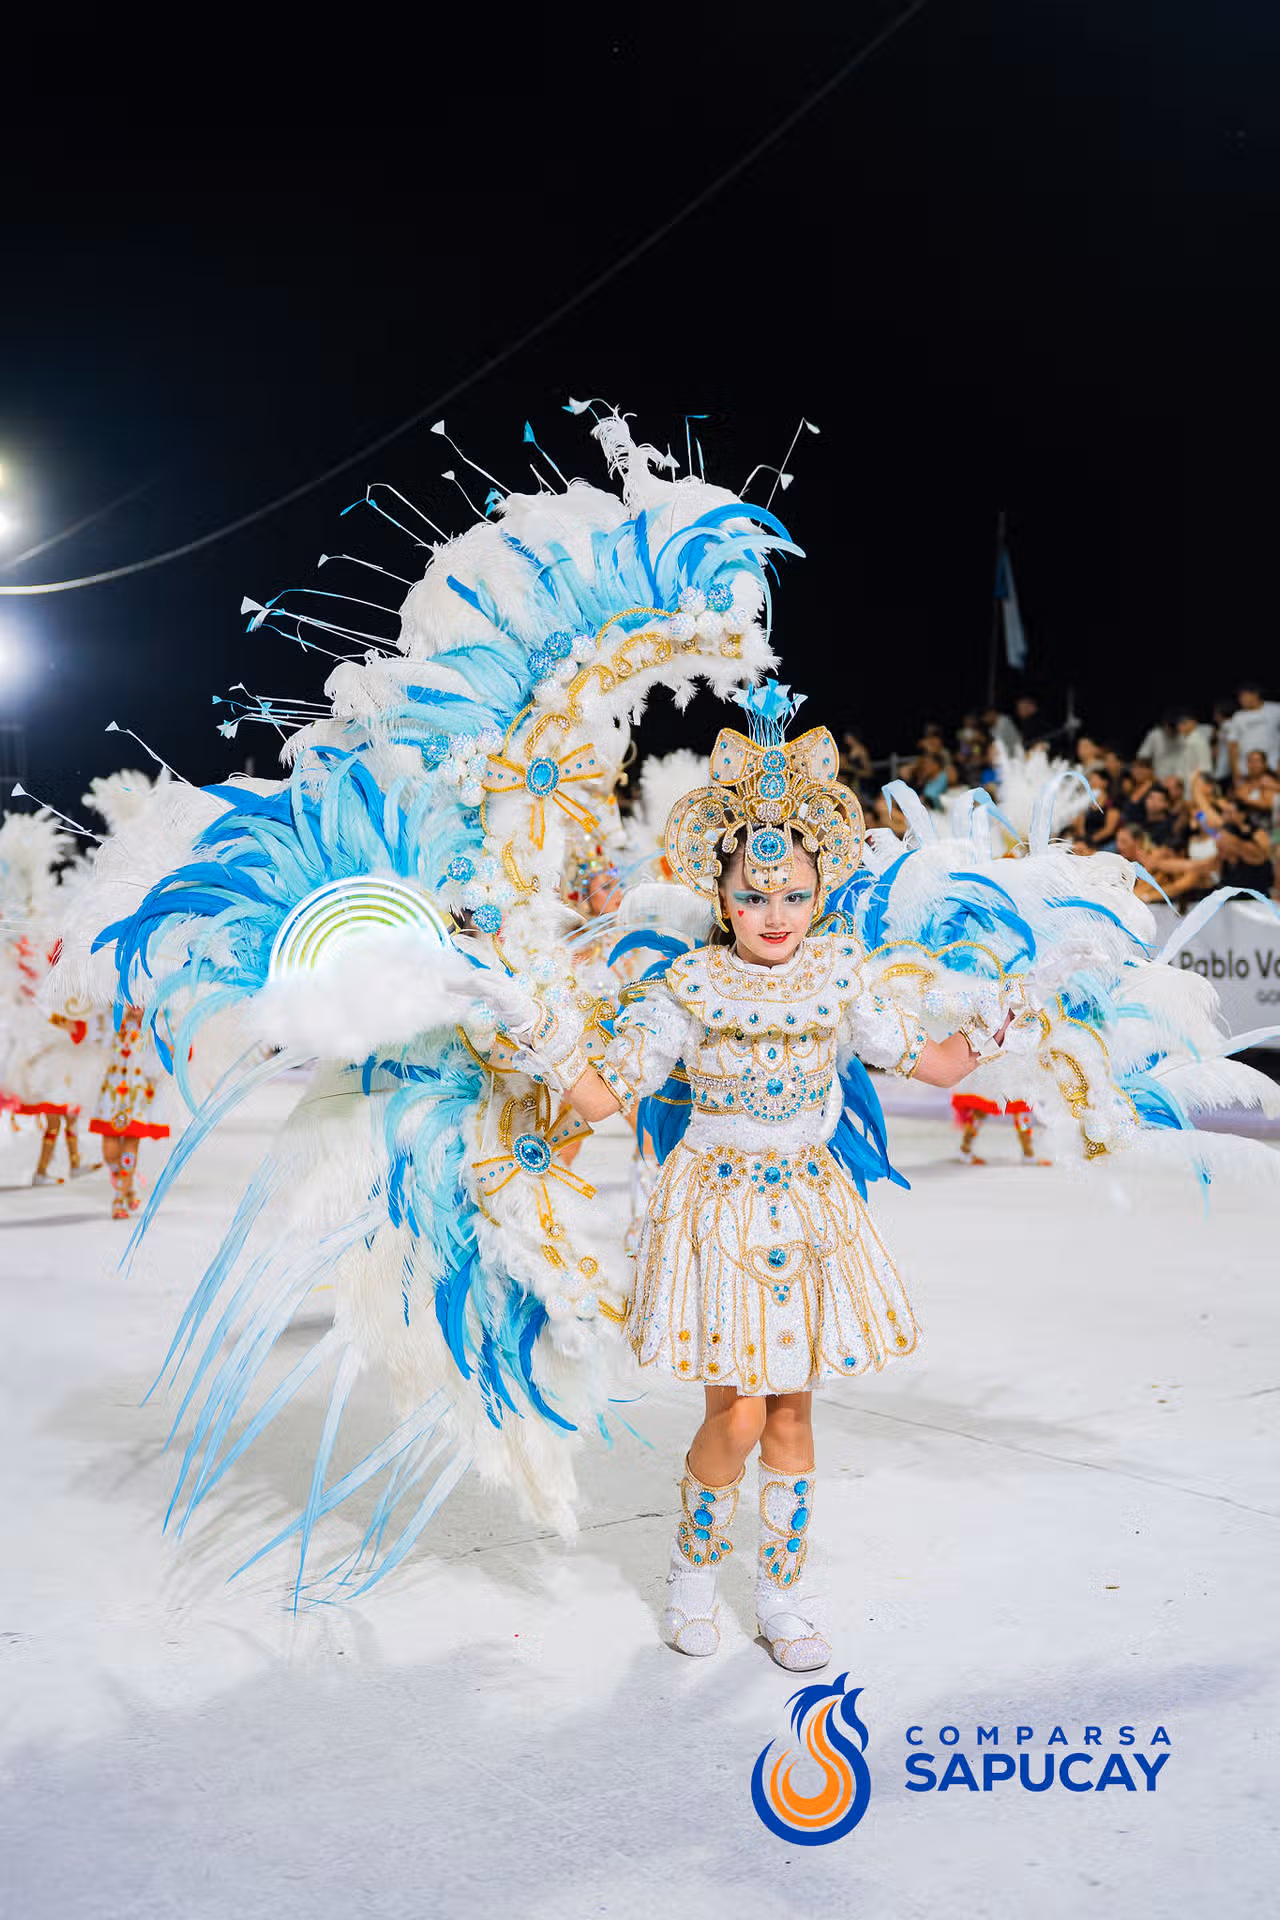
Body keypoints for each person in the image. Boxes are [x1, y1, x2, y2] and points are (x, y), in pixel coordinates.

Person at [515, 707, 1016, 1671]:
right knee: (736, 1414)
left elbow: (936, 1062)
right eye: (753, 895)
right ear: (720, 895)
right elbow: (599, 1094)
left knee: (790, 1413)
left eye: (793, 893)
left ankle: (781, 1597)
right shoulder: (689, 987)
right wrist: (526, 1022)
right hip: (718, 1217)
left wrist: (1005, 1023)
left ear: (821, 889)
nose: (776, 913)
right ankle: (692, 1576)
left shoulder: (840, 976)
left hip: (809, 1214)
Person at [89, 1003, 170, 1219]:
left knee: (130, 1148)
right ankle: (128, 1185)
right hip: (112, 1095)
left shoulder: (158, 1027)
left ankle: (119, 1199)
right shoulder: (113, 1021)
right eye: (131, 999)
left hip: (139, 1096)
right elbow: (91, 1035)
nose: (136, 1005)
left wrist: (174, 1050)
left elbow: (170, 1054)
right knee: (109, 1154)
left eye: (142, 1000)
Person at [1223, 682, 1280, 778]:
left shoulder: (1275, 710)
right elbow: (1232, 745)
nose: (1241, 700)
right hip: (1246, 770)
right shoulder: (1238, 717)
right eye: (1239, 697)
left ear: (1255, 694)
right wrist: (1235, 771)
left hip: (1273, 766)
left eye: (1244, 696)